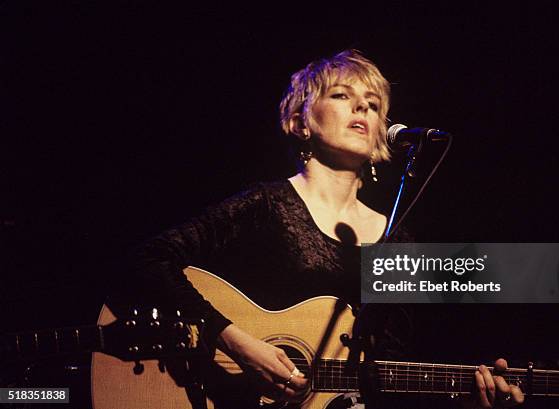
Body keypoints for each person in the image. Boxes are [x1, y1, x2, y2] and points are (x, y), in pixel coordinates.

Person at [120, 50, 524, 408]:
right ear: (301, 123)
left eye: (372, 103)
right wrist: (235, 342)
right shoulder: (266, 205)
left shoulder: (398, 240)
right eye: (342, 96)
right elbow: (149, 261)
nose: (362, 109)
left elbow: (388, 375)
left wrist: (467, 400)